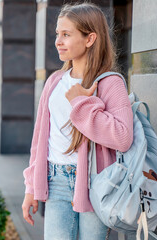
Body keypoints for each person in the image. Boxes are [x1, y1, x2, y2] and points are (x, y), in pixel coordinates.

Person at [22, 2, 134, 240]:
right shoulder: (54, 81)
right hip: (56, 181)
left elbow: (123, 137)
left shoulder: (110, 83)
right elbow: (39, 141)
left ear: (90, 38)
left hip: (95, 183)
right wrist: (31, 187)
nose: (58, 41)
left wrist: (81, 104)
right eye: (57, 34)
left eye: (66, 34)